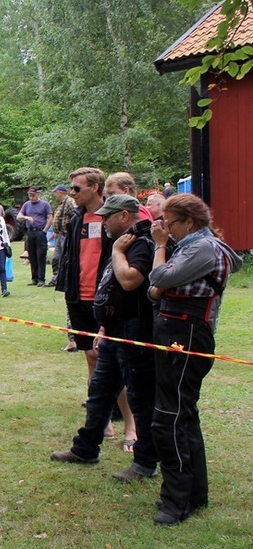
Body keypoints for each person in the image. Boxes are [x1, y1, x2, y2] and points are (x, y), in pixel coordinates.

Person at [50, 194, 159, 485]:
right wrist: (103, 327)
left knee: (139, 397)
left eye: (108, 216)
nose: (103, 221)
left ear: (124, 216)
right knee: (99, 392)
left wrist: (117, 253)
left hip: (135, 331)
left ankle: (145, 462)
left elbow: (130, 280)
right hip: (113, 329)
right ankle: (86, 448)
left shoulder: (141, 243)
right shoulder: (124, 242)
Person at [148, 194, 242, 525]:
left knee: (168, 417)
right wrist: (162, 279)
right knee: (182, 415)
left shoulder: (202, 248)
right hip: (175, 329)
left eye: (169, 223)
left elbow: (158, 280)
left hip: (185, 335)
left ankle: (177, 502)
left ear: (189, 222)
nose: (164, 229)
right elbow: (154, 289)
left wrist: (159, 249)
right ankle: (194, 494)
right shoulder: (192, 248)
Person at [56, 167, 134, 442]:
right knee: (91, 357)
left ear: (96, 188)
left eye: (77, 188)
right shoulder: (76, 218)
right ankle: (101, 420)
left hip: (107, 299)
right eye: (72, 188)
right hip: (79, 297)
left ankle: (130, 425)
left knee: (115, 359)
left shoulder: (113, 217)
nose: (73, 194)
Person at [17, 186, 53, 286]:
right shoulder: (26, 205)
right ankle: (34, 278)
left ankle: (41, 279)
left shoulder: (44, 204)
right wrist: (26, 217)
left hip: (40, 232)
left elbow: (50, 217)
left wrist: (45, 230)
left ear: (38, 194)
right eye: (30, 195)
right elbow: (18, 217)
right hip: (30, 232)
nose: (31, 197)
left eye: (33, 195)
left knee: (40, 255)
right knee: (32, 255)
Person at [48, 184, 77, 288]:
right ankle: (57, 278)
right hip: (59, 235)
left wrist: (70, 229)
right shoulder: (61, 204)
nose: (55, 194)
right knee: (56, 259)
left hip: (65, 235)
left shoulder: (69, 202)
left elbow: (76, 215)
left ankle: (65, 279)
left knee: (65, 257)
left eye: (56, 192)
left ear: (61, 192)